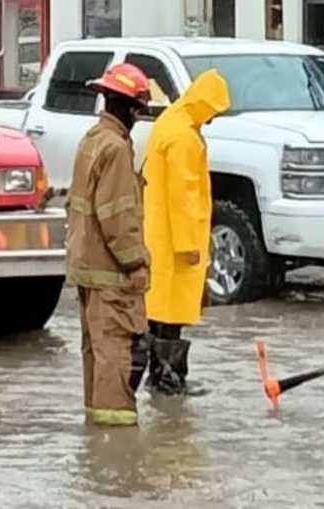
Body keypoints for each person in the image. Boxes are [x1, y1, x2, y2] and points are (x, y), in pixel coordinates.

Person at [65, 63, 153, 427]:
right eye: (139, 110)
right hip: (112, 276)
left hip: (89, 271)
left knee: (97, 355)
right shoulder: (116, 149)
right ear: (131, 109)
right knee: (117, 353)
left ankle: (97, 428)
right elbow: (118, 217)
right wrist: (138, 264)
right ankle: (117, 447)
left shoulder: (92, 139)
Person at [143, 69, 231, 395]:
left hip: (161, 235)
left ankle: (160, 376)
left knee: (161, 311)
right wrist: (188, 245)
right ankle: (169, 380)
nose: (212, 120)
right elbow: (183, 195)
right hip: (176, 240)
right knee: (171, 313)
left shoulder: (170, 122)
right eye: (214, 113)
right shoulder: (183, 137)